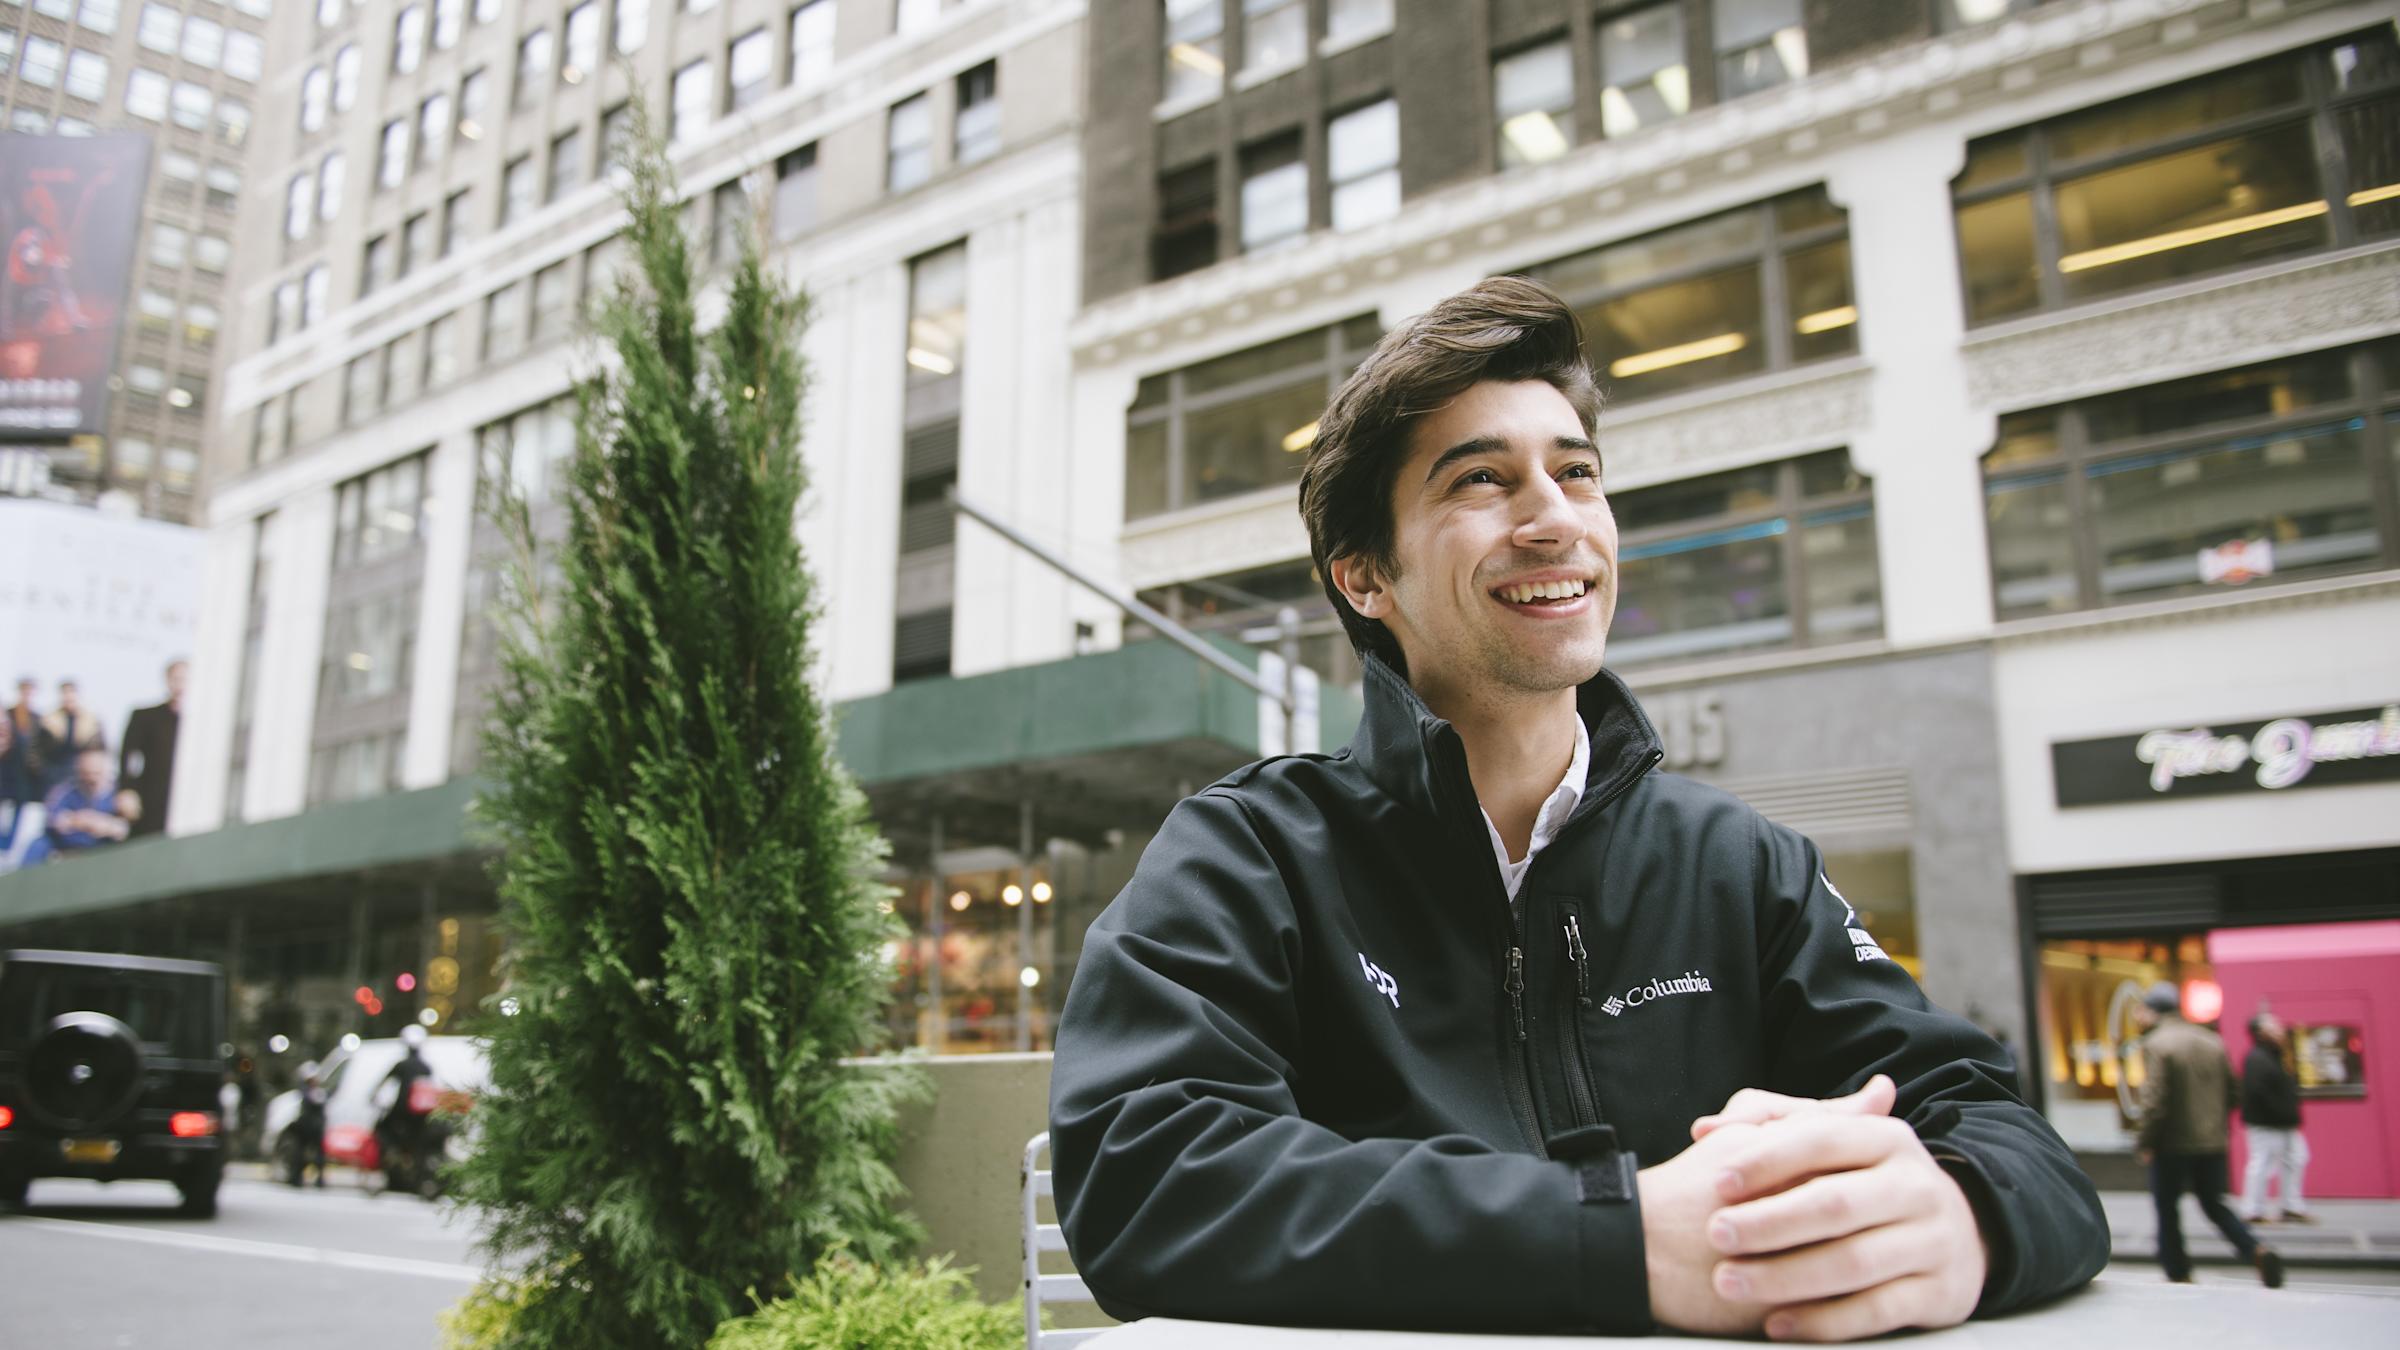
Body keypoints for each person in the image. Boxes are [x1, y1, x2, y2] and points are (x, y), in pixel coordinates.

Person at [1049, 278, 2109, 1341]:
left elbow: (2001, 1130)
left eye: (1577, 474)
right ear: (1367, 576)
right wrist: (1621, 1235)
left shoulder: (1741, 866)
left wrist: (1963, 1214)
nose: (1554, 518)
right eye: (1481, 480)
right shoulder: (1251, 854)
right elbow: (1147, 1180)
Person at [2136, 981, 2283, 1288]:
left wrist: (2146, 1141)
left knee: (2167, 1207)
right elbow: (2233, 1092)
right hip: (2213, 1141)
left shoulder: (2157, 1044)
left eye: (2142, 1010)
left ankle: (2178, 1270)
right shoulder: (2212, 1040)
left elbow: (2155, 1101)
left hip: (2172, 1143)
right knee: (2214, 1204)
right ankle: (2256, 1249)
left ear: (2153, 1011)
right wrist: (2215, 1125)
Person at [2239, 1010, 2311, 1225]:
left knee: (2296, 1159)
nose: (2279, 1029)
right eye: (2273, 1026)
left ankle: (2291, 1205)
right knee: (2261, 1163)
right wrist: (2280, 1112)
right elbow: (2257, 1092)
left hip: (2284, 1122)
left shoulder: (2276, 1055)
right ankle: (2253, 1209)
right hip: (2267, 1123)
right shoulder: (2257, 1058)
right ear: (2261, 1032)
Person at [21, 745, 132, 864]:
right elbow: (54, 821)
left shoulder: (119, 794)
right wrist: (84, 820)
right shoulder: (65, 792)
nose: (91, 779)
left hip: (102, 848)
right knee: (39, 844)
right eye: (86, 773)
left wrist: (105, 825)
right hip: (68, 845)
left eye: (96, 773)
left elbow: (124, 828)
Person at [119, 660, 185, 840]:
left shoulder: (201, 723)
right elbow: (129, 757)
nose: (181, 685)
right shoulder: (146, 717)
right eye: (177, 679)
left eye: (186, 680)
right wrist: (128, 790)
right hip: (151, 800)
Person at [376, 1024, 437, 1189]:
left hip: (401, 1110)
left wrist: (374, 1097)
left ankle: (392, 1154)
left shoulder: (401, 1065)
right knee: (418, 1143)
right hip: (421, 1114)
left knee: (380, 1128)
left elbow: (382, 1083)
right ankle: (413, 1174)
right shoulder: (426, 1067)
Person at [40, 680, 106, 795]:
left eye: (71, 693)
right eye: (65, 693)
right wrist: (46, 772)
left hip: (84, 777)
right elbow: (37, 752)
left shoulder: (91, 722)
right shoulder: (48, 721)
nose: (68, 697)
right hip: (54, 777)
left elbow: (101, 750)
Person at [287, 1062, 330, 1188]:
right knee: (300, 1153)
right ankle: (297, 1177)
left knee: (317, 1155)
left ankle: (318, 1179)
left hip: (314, 1127)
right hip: (306, 1127)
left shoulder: (317, 1093)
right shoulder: (305, 1093)